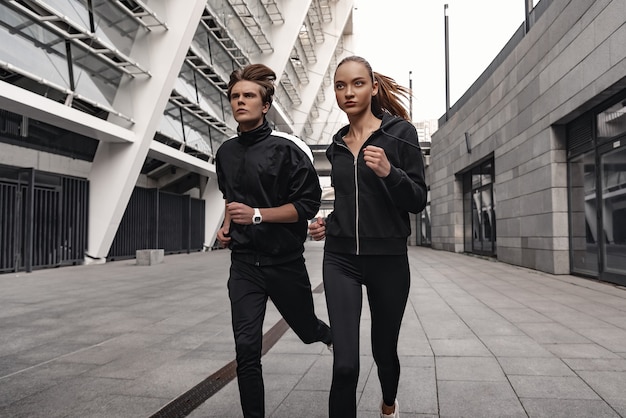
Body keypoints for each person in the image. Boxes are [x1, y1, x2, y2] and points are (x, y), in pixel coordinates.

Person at [309, 55, 428, 418]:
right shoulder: (336, 146)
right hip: (341, 259)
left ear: (373, 87)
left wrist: (390, 172)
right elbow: (350, 201)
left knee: (383, 352)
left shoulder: (400, 134)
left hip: (388, 261)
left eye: (357, 83)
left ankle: (388, 405)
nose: (348, 92)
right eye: (340, 86)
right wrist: (329, 223)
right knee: (345, 365)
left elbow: (418, 200)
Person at [215, 63, 332, 418]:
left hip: (284, 264)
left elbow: (306, 206)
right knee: (247, 350)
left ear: (265, 105)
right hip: (245, 266)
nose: (240, 102)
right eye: (235, 96)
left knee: (308, 330)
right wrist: (224, 227)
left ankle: (335, 340)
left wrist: (256, 215)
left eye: (248, 95)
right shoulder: (225, 152)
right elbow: (229, 197)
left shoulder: (289, 148)